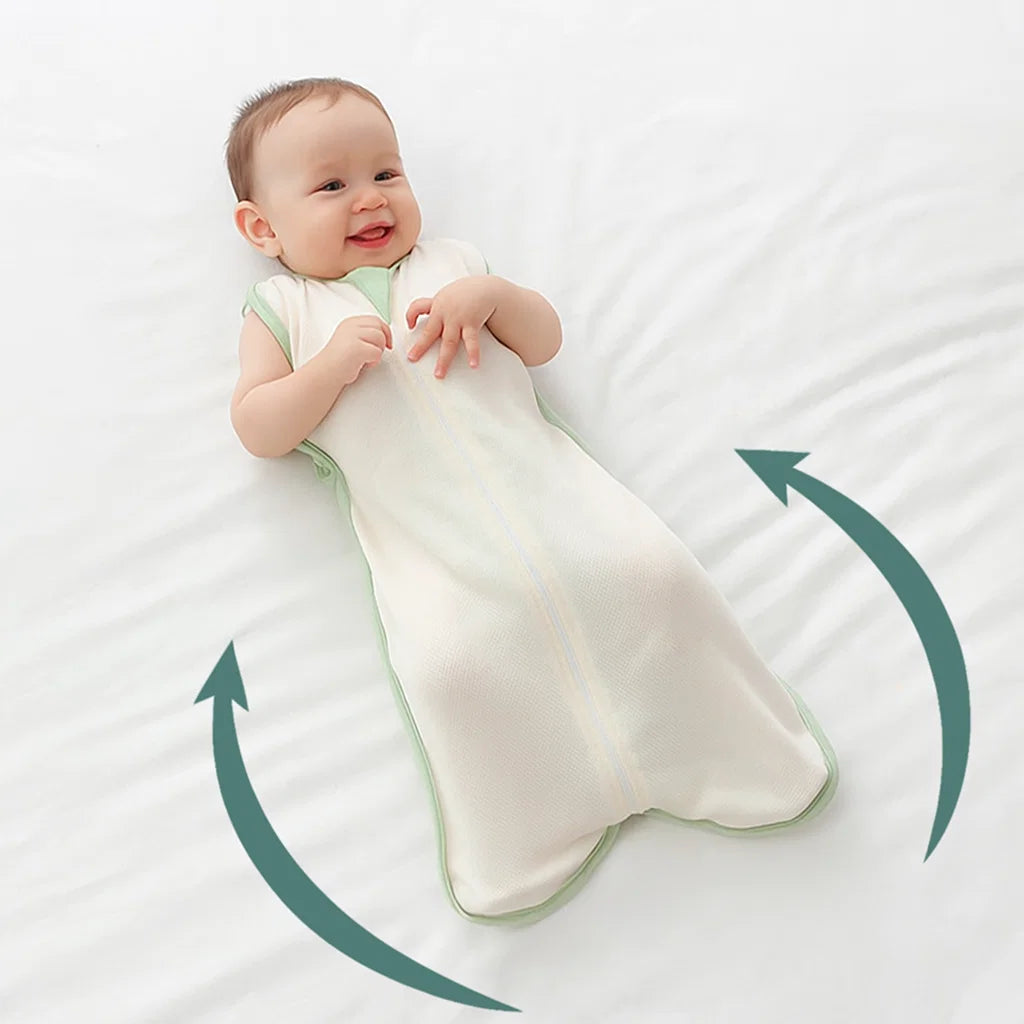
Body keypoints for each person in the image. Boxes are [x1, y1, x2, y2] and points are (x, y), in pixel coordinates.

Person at [224, 77, 838, 925]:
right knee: (452, 668)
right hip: (434, 555)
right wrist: (324, 369)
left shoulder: (453, 266)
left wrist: (496, 300)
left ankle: (736, 758)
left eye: (387, 173)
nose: (371, 199)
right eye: (331, 185)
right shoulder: (284, 309)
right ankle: (531, 833)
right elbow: (258, 426)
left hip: (561, 507)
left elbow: (542, 340)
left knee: (654, 579)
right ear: (262, 228)